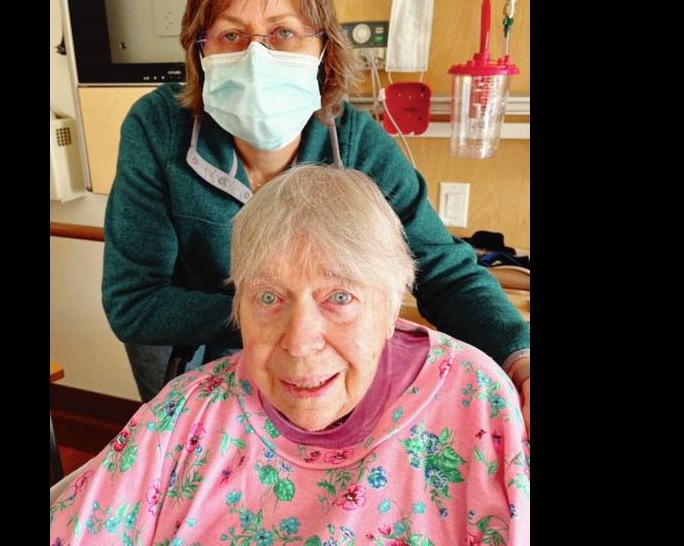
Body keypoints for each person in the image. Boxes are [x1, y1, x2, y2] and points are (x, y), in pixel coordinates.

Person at [102, 0, 530, 433]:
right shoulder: (157, 131)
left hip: (324, 379)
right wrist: (272, 319)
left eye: (283, 32)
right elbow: (135, 302)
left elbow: (446, 271)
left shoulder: (356, 147)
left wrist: (518, 353)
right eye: (232, 35)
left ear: (323, 48)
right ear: (201, 50)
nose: (257, 58)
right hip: (202, 373)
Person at [54, 165, 529, 545]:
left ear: (391, 306)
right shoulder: (185, 418)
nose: (299, 342)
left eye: (339, 297)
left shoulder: (477, 404)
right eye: (267, 298)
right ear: (236, 305)